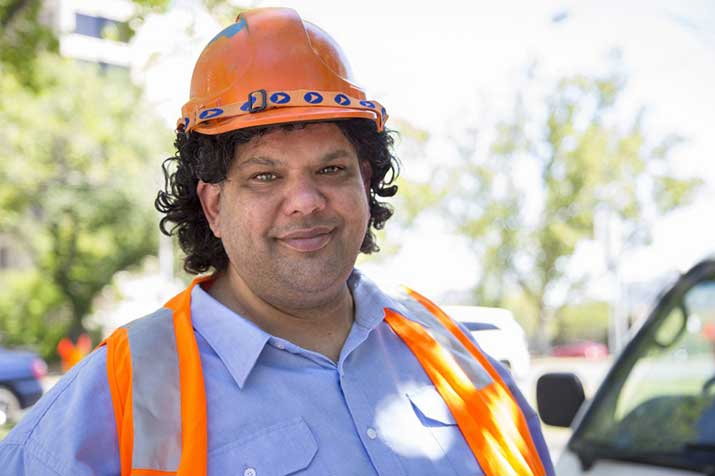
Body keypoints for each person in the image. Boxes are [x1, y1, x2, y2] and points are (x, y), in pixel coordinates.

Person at [0, 7, 555, 476]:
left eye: (332, 169)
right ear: (214, 205)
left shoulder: (453, 354)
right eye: (265, 176)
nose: (306, 201)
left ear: (365, 181)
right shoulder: (120, 394)